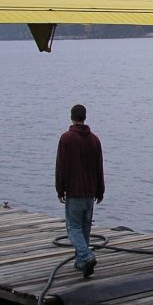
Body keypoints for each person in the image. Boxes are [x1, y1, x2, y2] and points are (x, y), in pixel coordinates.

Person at [55, 103, 105, 278]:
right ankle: (80, 262)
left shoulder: (66, 138)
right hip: (90, 192)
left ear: (71, 117)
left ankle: (85, 255)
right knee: (85, 228)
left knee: (73, 227)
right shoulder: (95, 140)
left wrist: (60, 189)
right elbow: (99, 167)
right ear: (85, 117)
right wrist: (101, 190)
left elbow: (61, 166)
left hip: (75, 192)